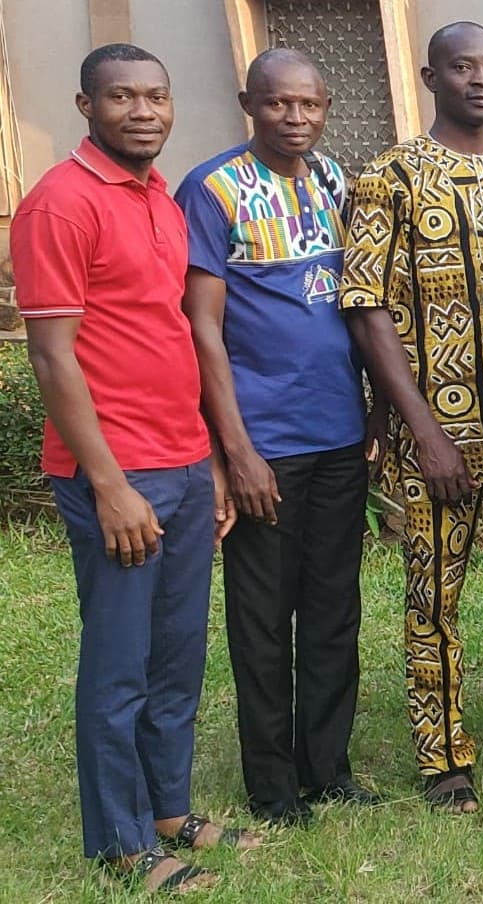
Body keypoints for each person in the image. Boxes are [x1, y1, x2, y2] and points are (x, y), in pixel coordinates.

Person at [14, 42, 254, 892]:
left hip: (184, 464)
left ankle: (168, 808)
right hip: (116, 474)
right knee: (119, 664)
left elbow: (171, 336)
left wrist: (212, 462)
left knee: (176, 656)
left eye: (155, 96)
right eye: (122, 97)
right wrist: (110, 483)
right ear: (86, 107)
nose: (143, 111)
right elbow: (52, 357)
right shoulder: (59, 205)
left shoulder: (160, 195)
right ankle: (120, 844)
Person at [341, 21, 483, 813]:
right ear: (429, 75)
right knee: (433, 595)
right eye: (462, 67)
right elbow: (365, 308)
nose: (481, 79)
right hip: (438, 434)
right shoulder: (389, 176)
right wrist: (425, 432)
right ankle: (444, 757)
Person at [176, 48, 378, 828]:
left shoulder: (333, 182)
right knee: (264, 618)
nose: (295, 118)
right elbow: (203, 325)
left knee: (333, 608)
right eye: (277, 105)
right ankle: (272, 787)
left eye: (308, 105)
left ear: (325, 107)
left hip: (337, 437)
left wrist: (371, 418)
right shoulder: (214, 187)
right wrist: (238, 450)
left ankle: (326, 768)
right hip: (266, 444)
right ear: (247, 104)